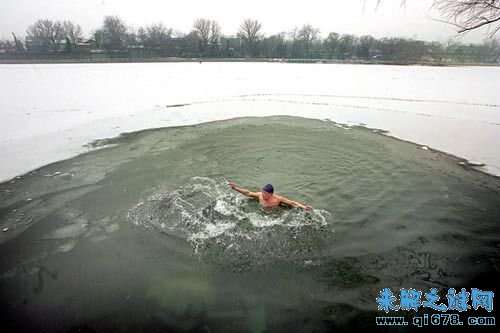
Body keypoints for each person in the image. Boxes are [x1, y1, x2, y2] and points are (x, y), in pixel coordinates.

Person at [228, 181, 312, 210]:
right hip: (261, 211)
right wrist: (235, 188)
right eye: (262, 192)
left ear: (271, 194)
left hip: (275, 212)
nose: (263, 195)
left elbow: (292, 203)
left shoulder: (278, 199)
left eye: (265, 194)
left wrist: (304, 207)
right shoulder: (260, 195)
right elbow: (248, 193)